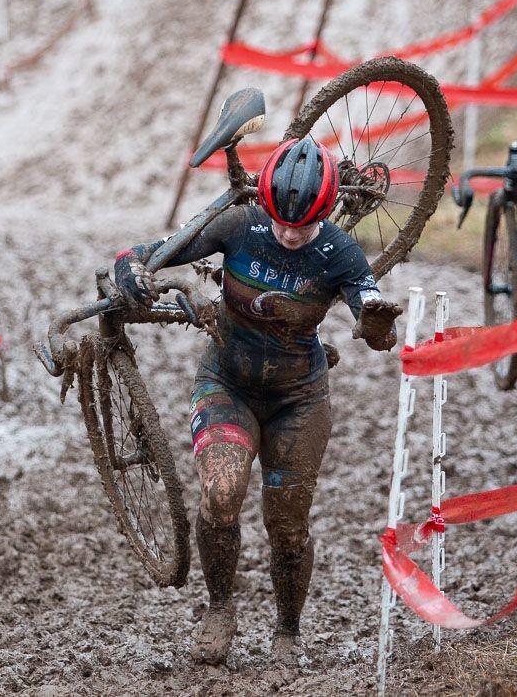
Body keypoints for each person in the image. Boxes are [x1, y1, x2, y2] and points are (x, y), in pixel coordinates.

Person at [112, 136, 403, 666]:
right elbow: (153, 251)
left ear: (327, 212)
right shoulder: (238, 226)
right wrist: (129, 268)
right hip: (227, 382)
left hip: (300, 398)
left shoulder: (338, 250)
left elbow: (370, 311)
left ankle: (288, 632)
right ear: (265, 206)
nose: (291, 234)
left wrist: (378, 323)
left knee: (287, 525)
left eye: (305, 225)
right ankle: (220, 609)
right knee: (222, 493)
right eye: (281, 222)